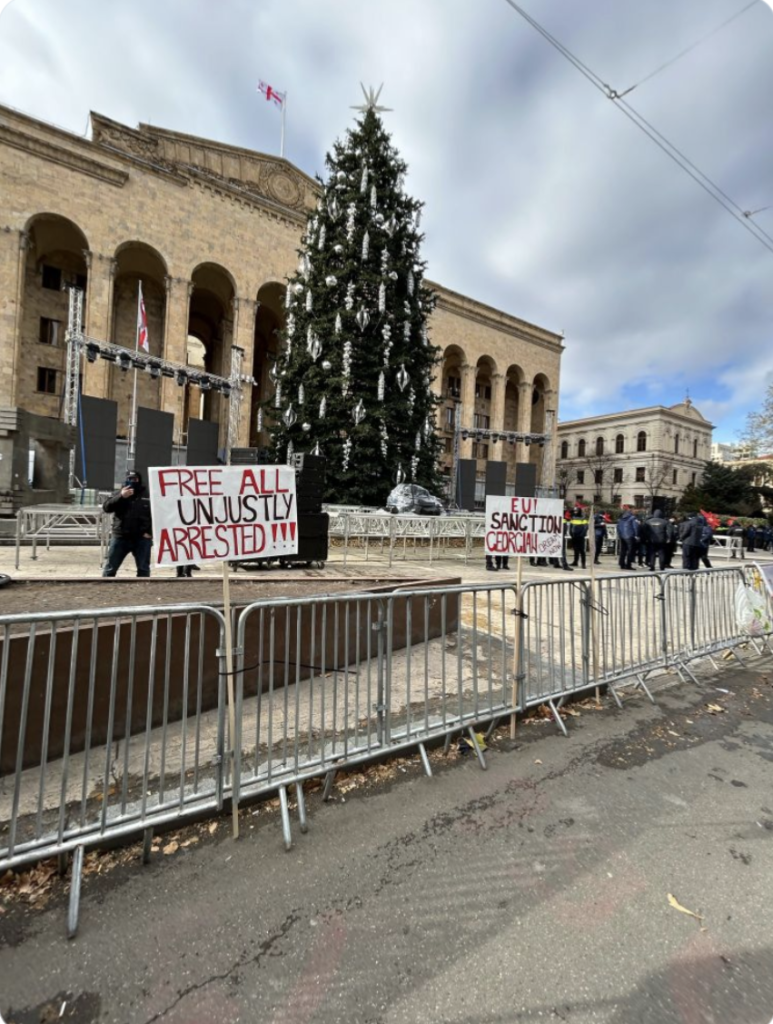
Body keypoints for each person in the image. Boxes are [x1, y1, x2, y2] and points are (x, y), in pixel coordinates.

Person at [102, 470, 153, 578]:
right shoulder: (118, 493)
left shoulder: (148, 495)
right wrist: (121, 496)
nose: (132, 481)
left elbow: (156, 515)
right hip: (121, 537)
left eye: (134, 479)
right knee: (110, 568)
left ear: (139, 480)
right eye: (129, 479)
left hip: (141, 538)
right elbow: (107, 508)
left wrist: (150, 532)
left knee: (143, 569)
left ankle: (143, 592)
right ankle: (104, 590)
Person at [617, 506, 637, 570]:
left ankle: (622, 564)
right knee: (630, 551)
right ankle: (629, 565)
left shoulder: (621, 519)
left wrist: (620, 535)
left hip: (622, 536)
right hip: (630, 536)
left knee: (623, 550)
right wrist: (636, 535)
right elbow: (635, 527)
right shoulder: (632, 518)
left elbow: (618, 528)